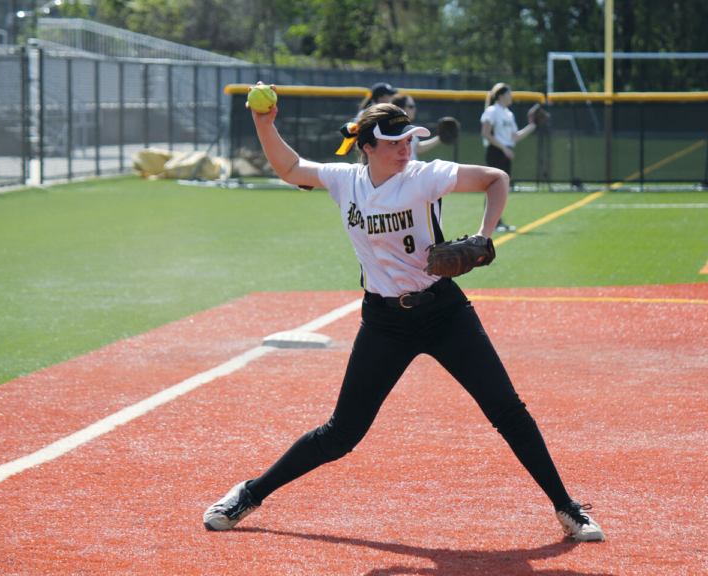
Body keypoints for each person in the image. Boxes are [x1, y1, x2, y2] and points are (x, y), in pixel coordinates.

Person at [203, 87, 604, 543]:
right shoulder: (344, 180)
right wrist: (264, 124)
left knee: (508, 411)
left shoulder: (424, 176)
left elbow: (496, 178)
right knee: (341, 434)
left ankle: (567, 508)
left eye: (408, 140)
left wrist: (483, 236)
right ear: (367, 146)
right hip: (384, 322)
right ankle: (250, 494)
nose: (405, 148)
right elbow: (290, 168)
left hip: (444, 312)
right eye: (394, 142)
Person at [480, 83, 537, 233]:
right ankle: (491, 223)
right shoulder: (492, 111)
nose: (511, 96)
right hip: (495, 151)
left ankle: (497, 222)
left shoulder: (509, 114)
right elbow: (486, 133)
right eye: (509, 93)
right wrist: (504, 148)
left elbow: (515, 136)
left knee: (502, 189)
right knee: (494, 188)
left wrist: (533, 126)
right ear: (501, 95)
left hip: (505, 151)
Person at [389, 92, 441, 160]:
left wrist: (439, 138)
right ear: (400, 108)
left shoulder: (407, 126)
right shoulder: (392, 129)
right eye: (411, 106)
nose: (414, 109)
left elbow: (417, 147)